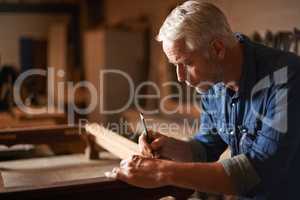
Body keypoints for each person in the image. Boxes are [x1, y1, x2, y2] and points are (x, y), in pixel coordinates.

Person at [105, 1, 300, 199]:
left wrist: (161, 172)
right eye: (175, 65)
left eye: (186, 63)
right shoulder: (214, 82)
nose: (180, 77)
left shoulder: (287, 77)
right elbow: (207, 147)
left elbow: (257, 173)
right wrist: (171, 147)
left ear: (217, 49)